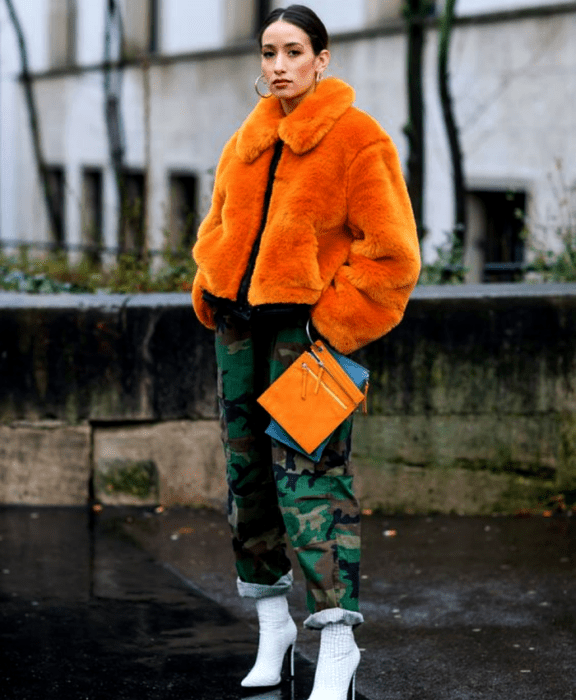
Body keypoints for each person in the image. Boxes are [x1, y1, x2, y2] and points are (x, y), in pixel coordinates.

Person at [191, 5, 420, 699]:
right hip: (238, 331)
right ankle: (274, 628)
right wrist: (208, 281)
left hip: (305, 338)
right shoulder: (247, 141)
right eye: (269, 52)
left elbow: (393, 257)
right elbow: (218, 224)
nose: (279, 65)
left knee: (312, 482)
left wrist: (330, 324)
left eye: (293, 51)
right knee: (248, 481)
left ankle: (338, 643)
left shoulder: (357, 139)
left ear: (322, 58)